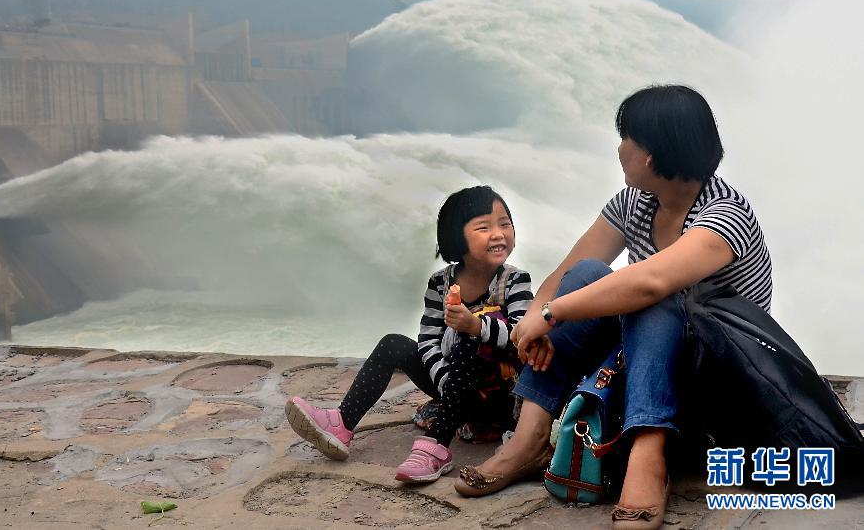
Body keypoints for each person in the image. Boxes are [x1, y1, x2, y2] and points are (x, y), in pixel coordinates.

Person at [454, 85, 772, 530]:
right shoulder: (635, 203)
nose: (619, 149)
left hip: (715, 380)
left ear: (653, 155)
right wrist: (534, 321)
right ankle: (528, 442)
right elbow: (567, 273)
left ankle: (649, 457)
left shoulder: (725, 214)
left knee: (654, 300)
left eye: (627, 139)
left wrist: (553, 313)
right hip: (647, 362)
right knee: (585, 275)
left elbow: (650, 282)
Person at [285, 185, 534, 484]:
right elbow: (428, 339)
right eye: (484, 227)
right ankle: (342, 422)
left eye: (505, 224)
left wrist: (475, 326)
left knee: (472, 335)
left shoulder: (514, 281)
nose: (498, 234)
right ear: (457, 236)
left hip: (500, 396)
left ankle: (436, 447)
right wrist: (446, 382)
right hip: (454, 387)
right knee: (394, 344)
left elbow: (521, 338)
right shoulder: (441, 283)